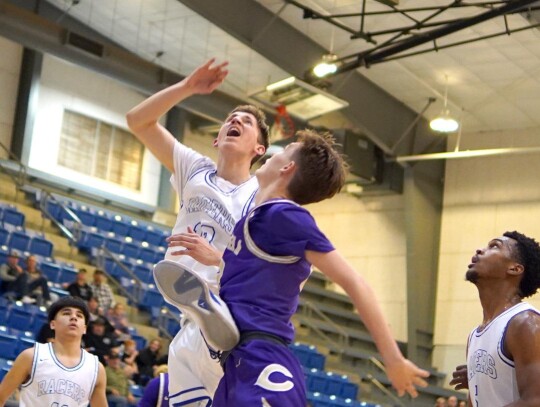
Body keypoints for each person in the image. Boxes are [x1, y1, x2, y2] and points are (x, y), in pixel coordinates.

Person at [154, 130, 430, 406]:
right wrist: (219, 261)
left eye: (282, 150)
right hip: (235, 364)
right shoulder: (252, 221)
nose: (273, 153)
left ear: (287, 167)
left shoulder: (284, 215)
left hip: (264, 362)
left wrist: (393, 360)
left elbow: (355, 283)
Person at [126, 58, 269, 404]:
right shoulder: (195, 168)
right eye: (230, 119)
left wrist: (217, 259)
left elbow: (264, 272)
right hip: (193, 316)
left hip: (232, 309)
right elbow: (137, 121)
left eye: (246, 122)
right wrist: (187, 87)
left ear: (258, 149)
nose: (235, 120)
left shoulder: (261, 197)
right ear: (218, 138)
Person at [449, 232, 540, 406]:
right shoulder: (474, 335)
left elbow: (536, 401)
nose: (480, 250)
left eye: (494, 246)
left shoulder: (525, 323)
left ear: (515, 268)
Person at [0, 296, 107, 406]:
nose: (74, 317)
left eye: (79, 315)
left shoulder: (96, 368)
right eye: (66, 313)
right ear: (52, 324)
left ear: (84, 328)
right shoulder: (31, 357)